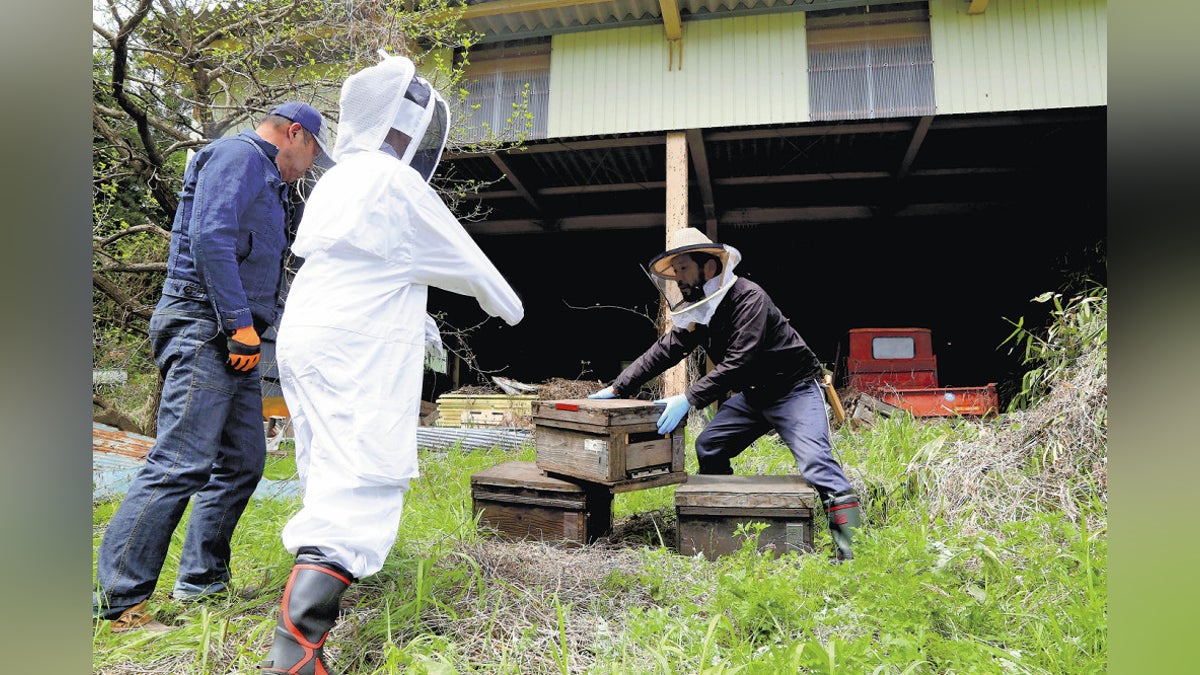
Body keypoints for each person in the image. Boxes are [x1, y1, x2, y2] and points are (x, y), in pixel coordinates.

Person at [258, 53, 524, 675]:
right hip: (354, 341)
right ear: (401, 127)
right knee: (366, 476)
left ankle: (297, 632)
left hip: (312, 328)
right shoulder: (392, 180)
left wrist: (417, 314)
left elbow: (369, 260)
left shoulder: (338, 179)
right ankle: (295, 655)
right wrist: (509, 306)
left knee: (329, 465)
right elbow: (479, 275)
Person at [93, 102, 331, 632]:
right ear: (296, 133)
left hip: (233, 334)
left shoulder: (269, 181)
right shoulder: (238, 156)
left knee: (243, 462)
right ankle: (119, 605)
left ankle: (201, 584)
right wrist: (238, 323)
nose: (308, 167)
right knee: (180, 462)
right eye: (311, 152)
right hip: (208, 325)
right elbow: (210, 237)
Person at [589, 228, 862, 561]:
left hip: (794, 390)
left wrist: (688, 399)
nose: (678, 278)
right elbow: (667, 349)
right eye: (675, 272)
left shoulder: (750, 298)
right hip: (754, 396)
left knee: (816, 463)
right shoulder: (701, 310)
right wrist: (619, 387)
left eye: (684, 268)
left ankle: (852, 551)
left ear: (710, 267)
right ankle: (728, 520)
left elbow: (738, 362)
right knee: (709, 446)